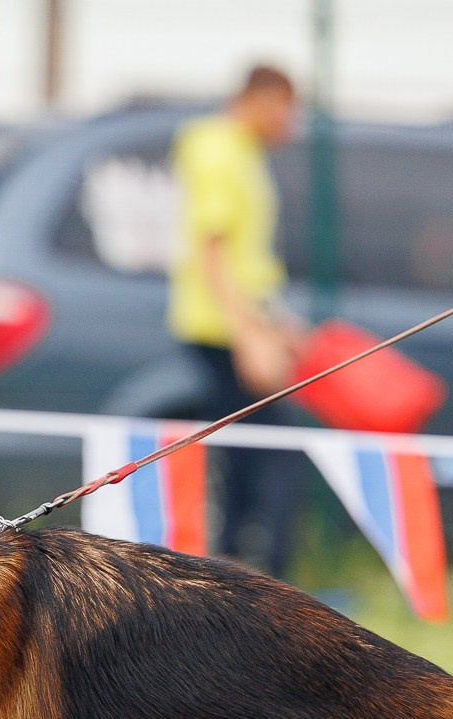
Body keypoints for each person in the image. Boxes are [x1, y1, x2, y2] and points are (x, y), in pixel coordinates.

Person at [170, 64, 308, 579]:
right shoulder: (220, 151)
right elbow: (212, 251)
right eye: (288, 106)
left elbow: (246, 259)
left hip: (237, 325)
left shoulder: (239, 150)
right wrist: (251, 334)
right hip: (221, 330)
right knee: (269, 455)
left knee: (248, 456)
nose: (292, 121)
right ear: (262, 98)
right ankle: (260, 580)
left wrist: (277, 322)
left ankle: (242, 577)